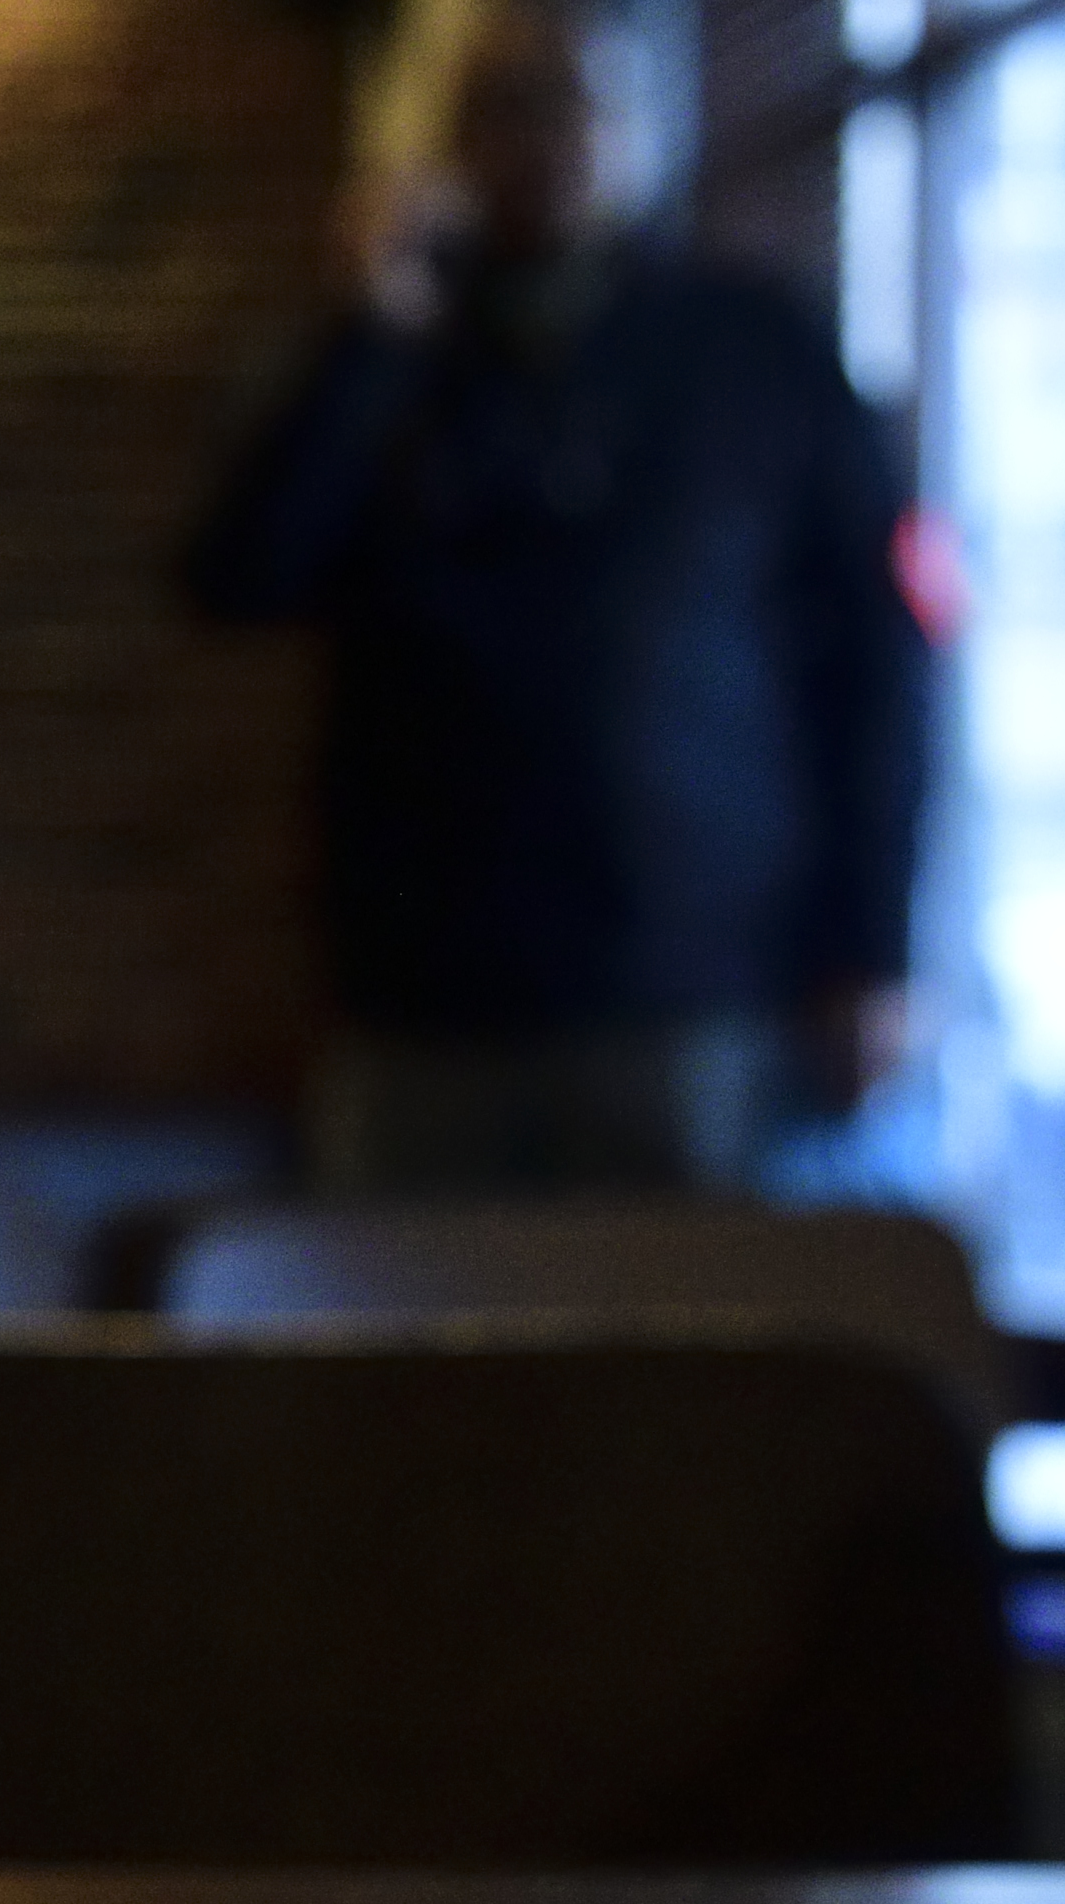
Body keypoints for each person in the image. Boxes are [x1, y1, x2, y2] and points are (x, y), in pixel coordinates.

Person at [187, 0, 931, 1194]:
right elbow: (239, 576)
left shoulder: (749, 344)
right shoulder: (388, 351)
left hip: (692, 994)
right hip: (424, 1007)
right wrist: (367, 335)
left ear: (639, 126)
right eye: (501, 105)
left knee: (700, 1357)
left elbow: (879, 662)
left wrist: (872, 952)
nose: (542, 139)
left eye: (573, 101)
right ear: (447, 137)